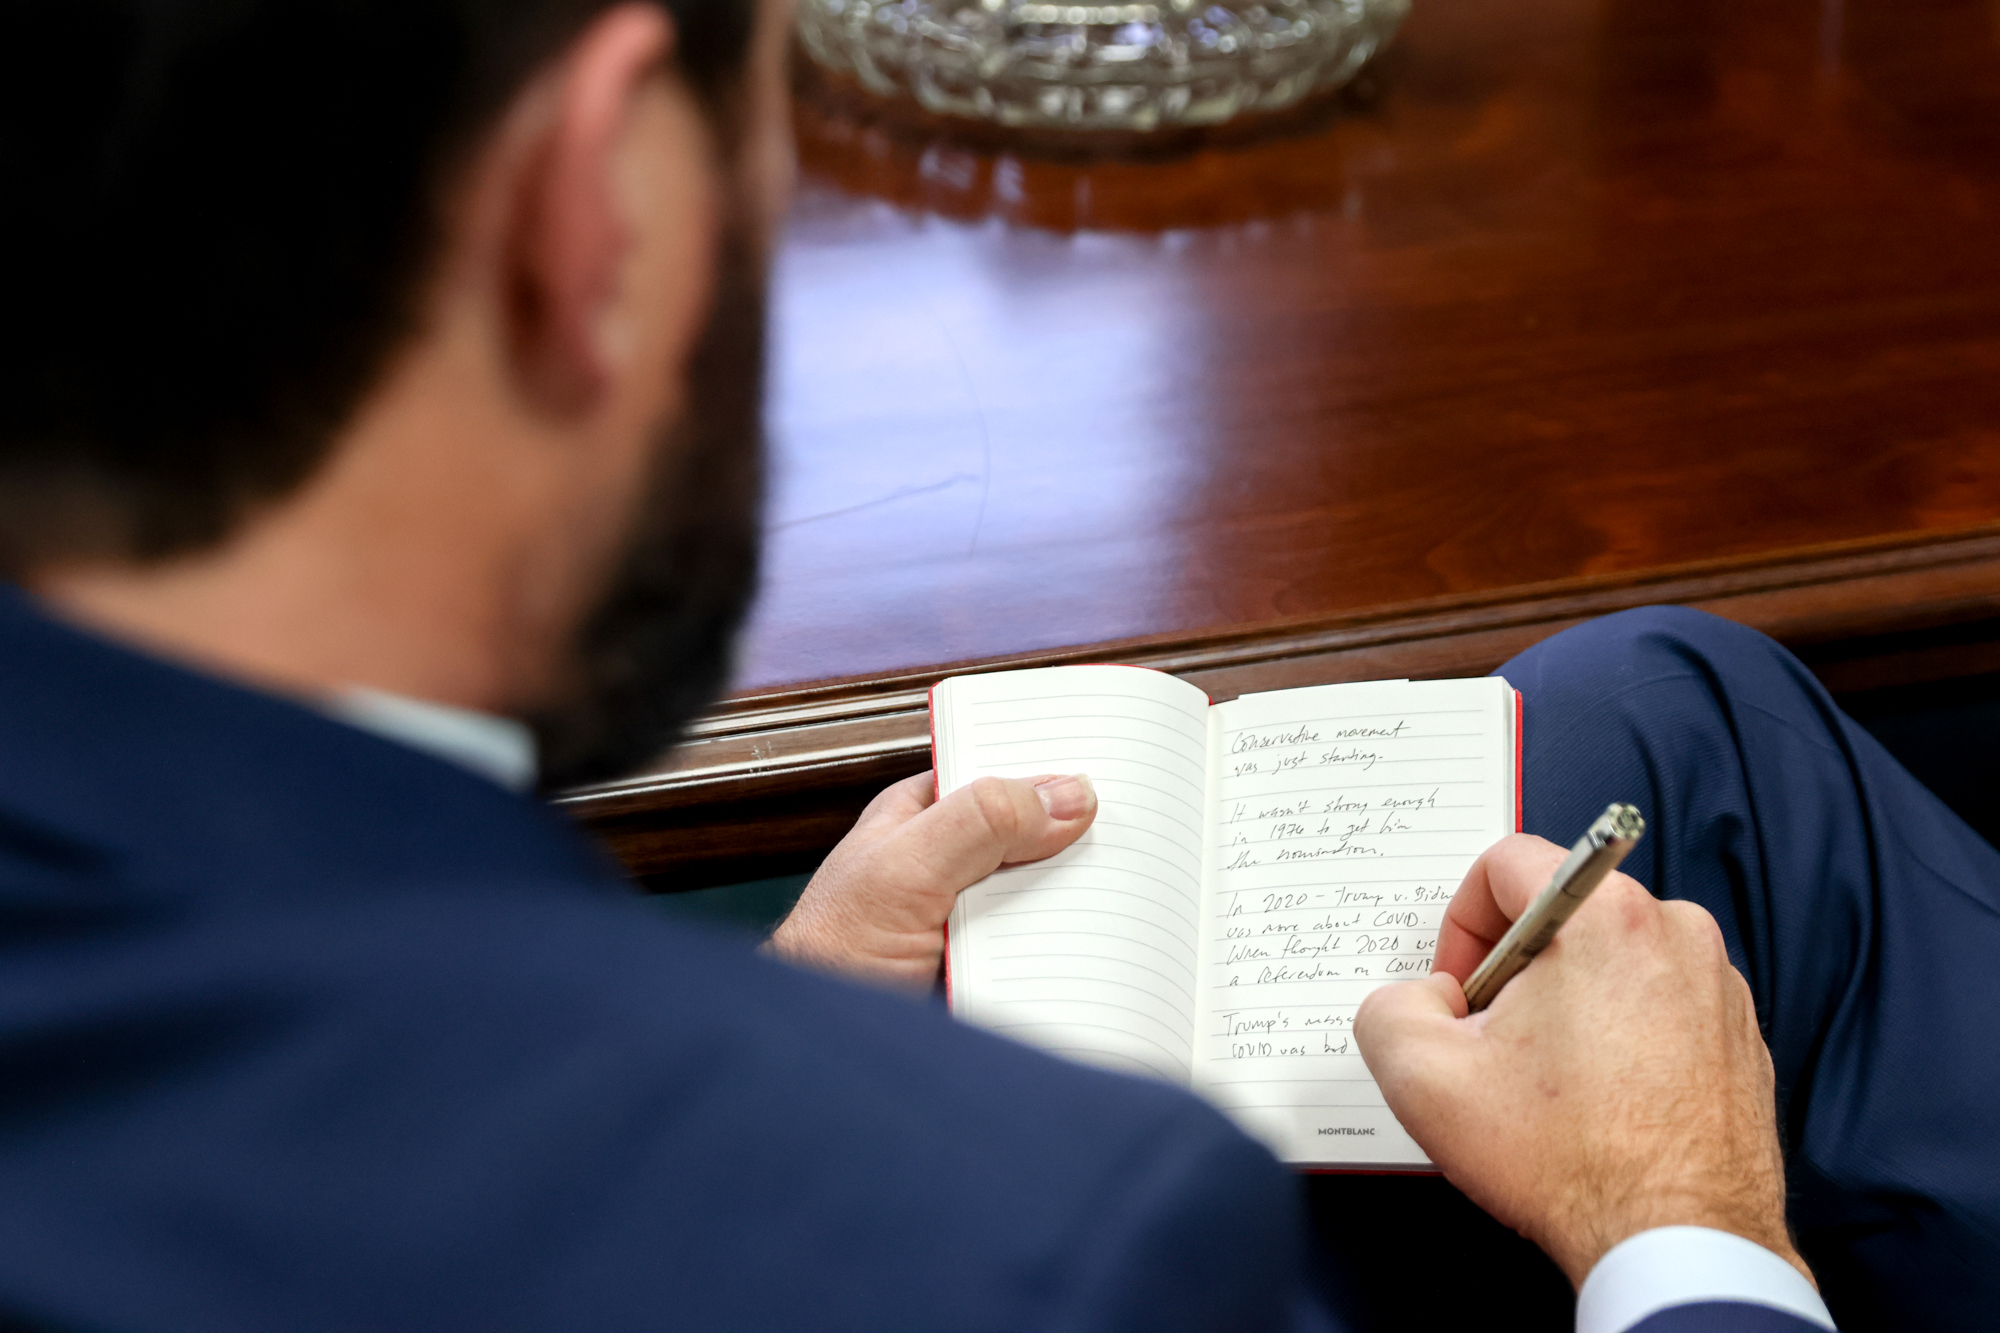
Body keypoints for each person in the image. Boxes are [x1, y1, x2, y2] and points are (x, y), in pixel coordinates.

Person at [0, 0, 1971, 1328]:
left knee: (1672, 729)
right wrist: (1678, 1222)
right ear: (586, 207)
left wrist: (765, 1027)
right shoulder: (1043, 1244)